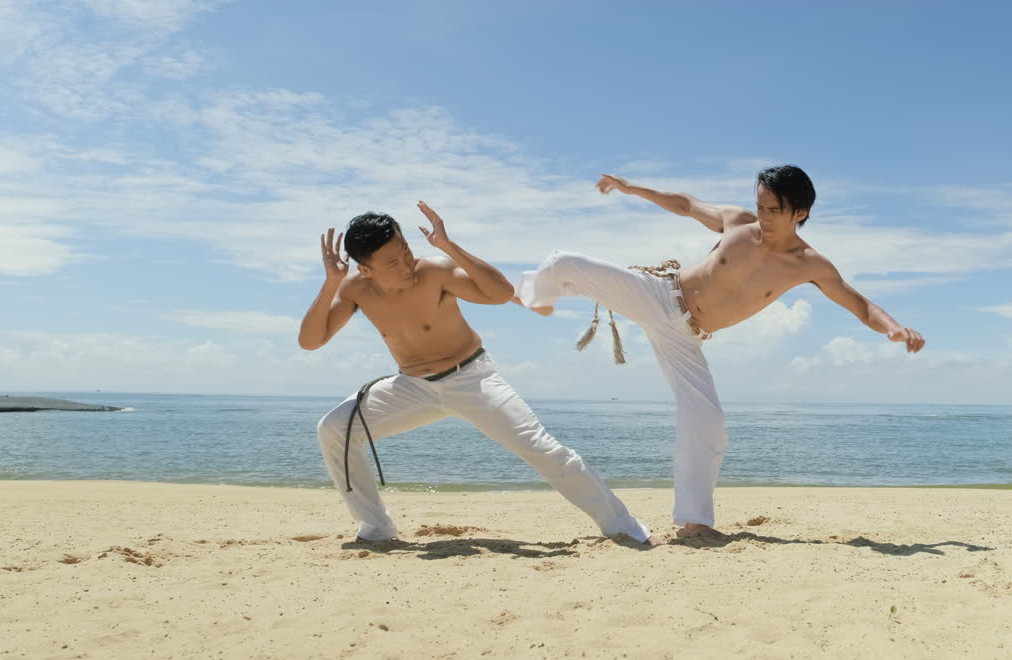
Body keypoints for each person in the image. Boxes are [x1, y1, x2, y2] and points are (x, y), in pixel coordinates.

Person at [515, 166, 925, 538]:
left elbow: (860, 304)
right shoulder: (739, 224)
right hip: (659, 294)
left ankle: (694, 523)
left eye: (773, 210)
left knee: (708, 423)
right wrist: (630, 188)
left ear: (799, 212)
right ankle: (529, 296)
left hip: (686, 337)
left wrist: (894, 329)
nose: (762, 216)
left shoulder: (809, 265)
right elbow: (685, 205)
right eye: (759, 205)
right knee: (564, 262)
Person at [299, 202, 650, 543]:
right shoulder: (354, 289)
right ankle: (376, 528)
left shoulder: (435, 271)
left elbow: (500, 294)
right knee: (334, 430)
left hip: (471, 378)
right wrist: (331, 283)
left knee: (542, 449)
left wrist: (448, 246)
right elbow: (311, 341)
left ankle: (623, 526)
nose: (406, 263)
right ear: (365, 269)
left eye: (405, 250)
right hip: (411, 387)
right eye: (392, 262)